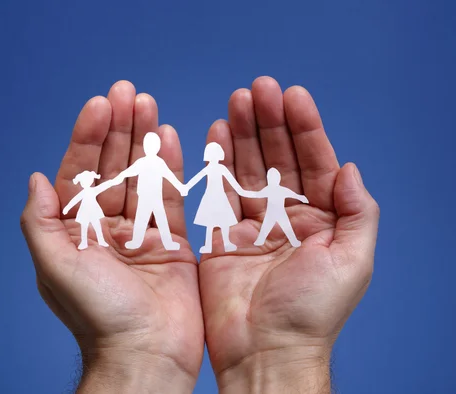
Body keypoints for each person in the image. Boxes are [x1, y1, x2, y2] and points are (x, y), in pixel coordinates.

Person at [21, 77, 380, 393]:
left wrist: (286, 348)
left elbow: (190, 182)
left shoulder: (168, 164)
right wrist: (128, 351)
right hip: (153, 201)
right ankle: (145, 242)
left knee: (160, 221)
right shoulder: (148, 163)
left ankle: (154, 240)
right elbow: (126, 177)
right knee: (155, 219)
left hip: (170, 203)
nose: (148, 151)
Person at [111, 131, 188, 251]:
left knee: (161, 219)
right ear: (144, 146)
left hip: (156, 197)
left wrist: (180, 186)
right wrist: (120, 176)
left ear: (157, 147)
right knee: (141, 219)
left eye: (153, 145)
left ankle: (168, 243)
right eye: (148, 145)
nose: (150, 148)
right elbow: (129, 171)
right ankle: (136, 241)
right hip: (144, 197)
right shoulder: (142, 162)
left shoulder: (159, 162)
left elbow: (169, 175)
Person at [184, 142, 250, 253]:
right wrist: (186, 187)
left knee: (223, 222)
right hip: (210, 196)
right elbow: (196, 178)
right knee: (210, 223)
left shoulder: (221, 168)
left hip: (219, 196)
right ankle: (208, 245)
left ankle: (226, 243)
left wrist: (241, 191)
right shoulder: (210, 168)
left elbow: (232, 181)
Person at [245, 167, 309, 247]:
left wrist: (301, 197)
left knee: (286, 227)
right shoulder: (268, 189)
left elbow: (293, 195)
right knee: (266, 227)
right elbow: (256, 194)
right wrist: (244, 193)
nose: (273, 180)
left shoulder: (281, 189)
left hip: (280, 213)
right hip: (271, 213)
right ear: (268, 179)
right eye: (271, 178)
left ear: (278, 178)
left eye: (274, 177)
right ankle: (260, 241)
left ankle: (293, 241)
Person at [61, 170, 118, 250]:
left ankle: (101, 240)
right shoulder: (83, 192)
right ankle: (84, 242)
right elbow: (75, 200)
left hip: (94, 211)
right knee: (84, 227)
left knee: (97, 226)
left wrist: (110, 182)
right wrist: (67, 208)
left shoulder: (93, 190)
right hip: (84, 212)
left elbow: (102, 187)